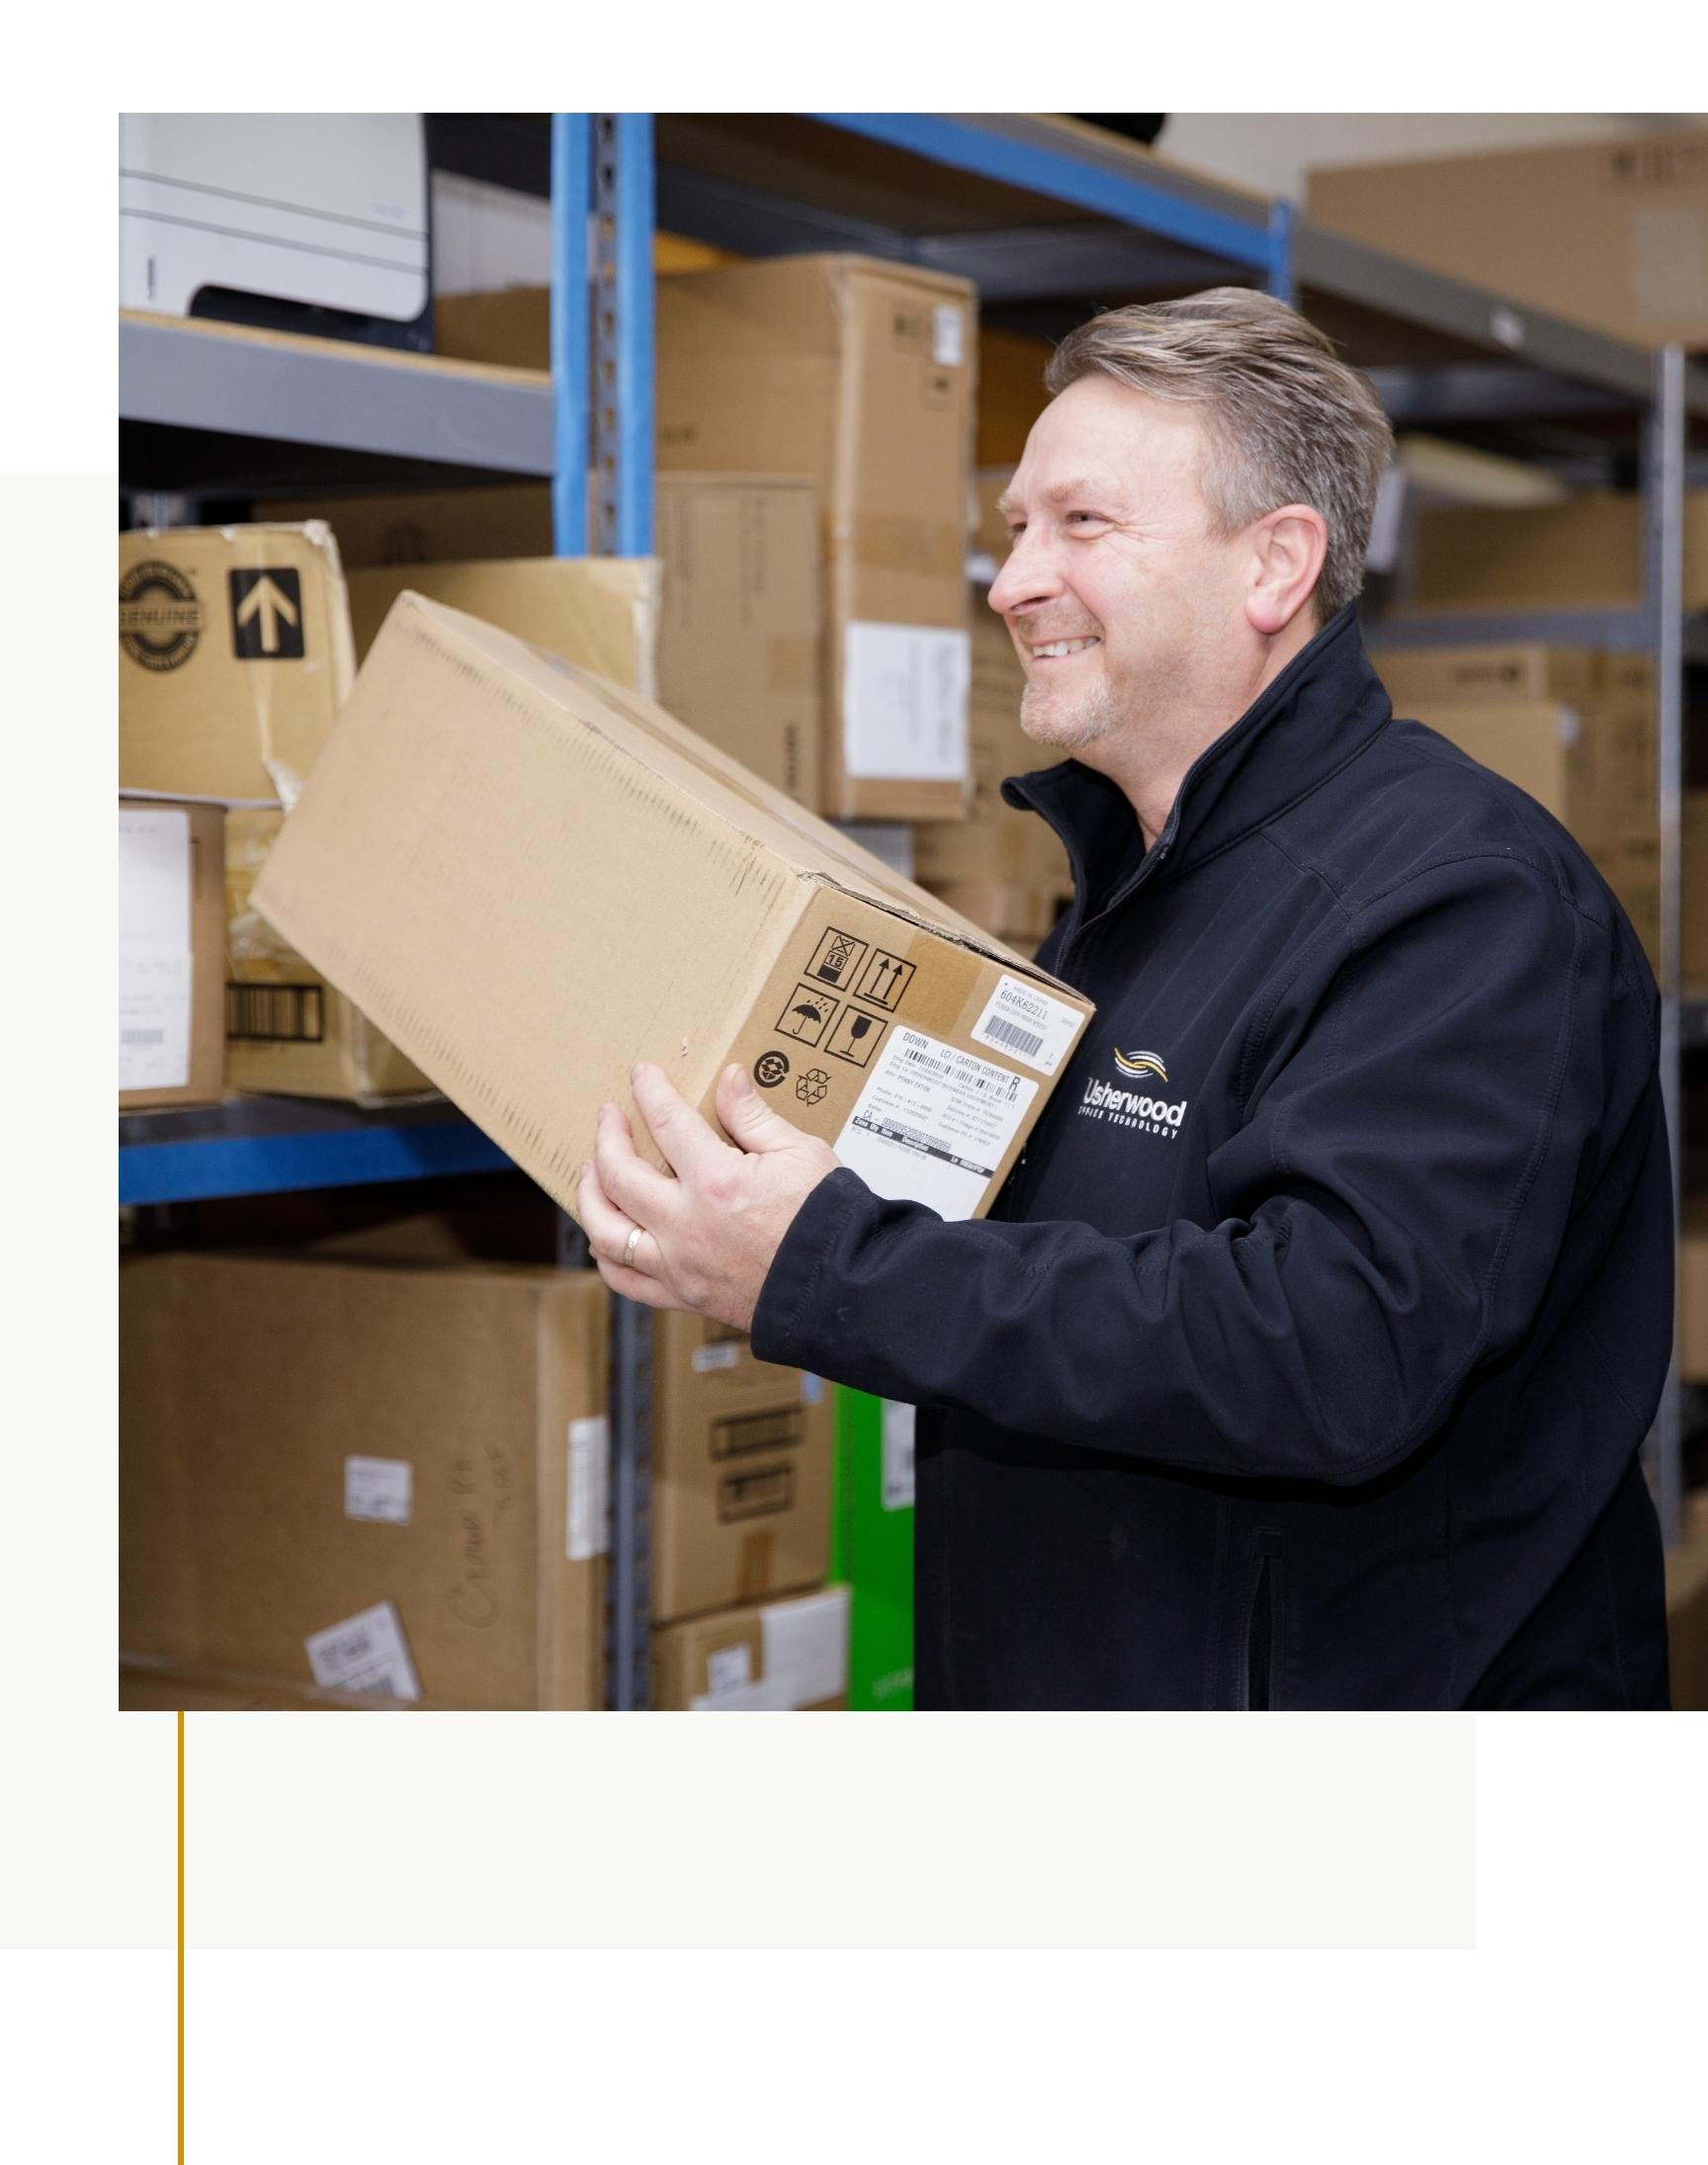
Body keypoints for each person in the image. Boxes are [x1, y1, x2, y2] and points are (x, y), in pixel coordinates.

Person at [577, 288, 1673, 1711]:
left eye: (1081, 525)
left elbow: (1331, 1342)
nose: (1013, 579)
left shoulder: (1465, 899)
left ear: (1276, 564)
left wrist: (828, 1264)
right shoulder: (1132, 885)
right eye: (1016, 527)